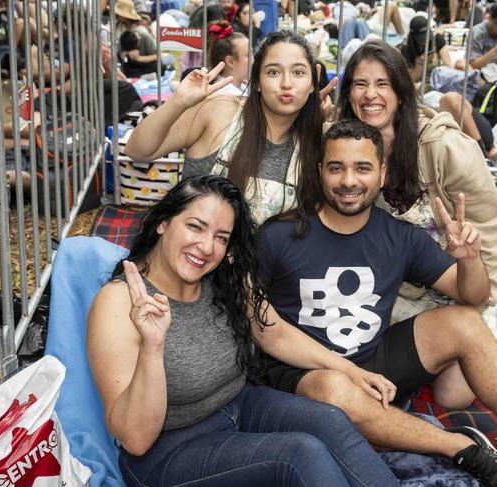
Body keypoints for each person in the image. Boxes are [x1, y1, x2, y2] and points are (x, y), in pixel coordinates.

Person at [258, 119, 497, 487]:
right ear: (320, 172)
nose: (349, 180)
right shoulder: (278, 236)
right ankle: (462, 448)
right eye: (336, 168)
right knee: (332, 389)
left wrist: (468, 258)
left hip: (373, 363)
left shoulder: (398, 236)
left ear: (382, 173)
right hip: (303, 376)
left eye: (362, 168)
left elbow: (473, 296)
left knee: (463, 322)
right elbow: (260, 328)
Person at [87, 174, 400, 487]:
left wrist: (351, 371)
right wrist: (153, 346)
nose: (207, 247)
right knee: (301, 455)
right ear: (163, 222)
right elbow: (136, 440)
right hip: (167, 452)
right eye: (195, 226)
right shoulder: (119, 303)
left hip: (239, 405)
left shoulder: (223, 275)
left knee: (329, 421)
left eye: (221, 237)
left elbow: (274, 333)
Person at [337, 41, 497, 397]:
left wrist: (482, 298)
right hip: (400, 288)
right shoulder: (344, 147)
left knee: (453, 394)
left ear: (401, 90)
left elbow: (489, 233)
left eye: (382, 83)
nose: (371, 95)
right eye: (360, 83)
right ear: (348, 91)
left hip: (464, 282)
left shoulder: (445, 148)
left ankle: (478, 342)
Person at [125, 30, 336, 224]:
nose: (286, 83)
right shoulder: (220, 112)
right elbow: (138, 150)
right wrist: (177, 102)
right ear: (256, 82)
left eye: (298, 73)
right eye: (273, 72)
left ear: (311, 84)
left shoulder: (317, 142)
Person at [400, 15, 453, 84]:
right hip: (418, 84)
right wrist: (420, 64)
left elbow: (448, 65)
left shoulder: (437, 40)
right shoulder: (406, 48)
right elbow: (412, 80)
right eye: (420, 39)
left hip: (437, 81)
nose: (424, 42)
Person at [207, 22, 250, 96]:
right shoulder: (224, 95)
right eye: (248, 55)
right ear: (230, 62)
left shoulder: (242, 88)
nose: (254, 59)